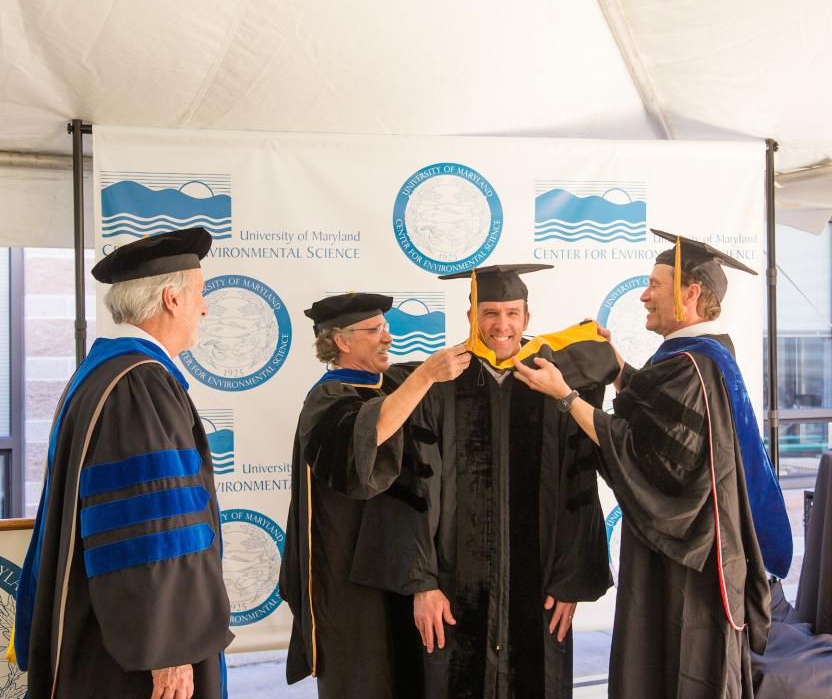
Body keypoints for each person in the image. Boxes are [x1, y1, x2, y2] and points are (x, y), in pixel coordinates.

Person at [513, 231, 792, 699]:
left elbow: (652, 459)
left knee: (678, 667)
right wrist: (617, 365)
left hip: (689, 562)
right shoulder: (704, 358)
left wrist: (566, 397)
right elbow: (661, 421)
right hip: (705, 552)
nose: (644, 295)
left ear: (690, 294)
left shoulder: (690, 365)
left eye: (654, 284)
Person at [350, 264, 619, 699]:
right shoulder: (437, 383)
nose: (501, 324)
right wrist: (423, 583)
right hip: (454, 593)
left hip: (540, 591)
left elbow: (579, 485)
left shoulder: (553, 381)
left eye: (512, 313)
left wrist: (571, 580)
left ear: (527, 319)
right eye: (490, 312)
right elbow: (409, 490)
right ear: (471, 315)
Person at [13, 228, 232, 699]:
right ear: (172, 299)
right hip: (135, 652)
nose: (205, 308)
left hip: (107, 625)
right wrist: (169, 647)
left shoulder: (106, 374)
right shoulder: (139, 386)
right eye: (200, 294)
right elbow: (151, 527)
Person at [279, 292, 471, 698]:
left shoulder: (394, 383)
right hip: (349, 576)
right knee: (365, 678)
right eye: (376, 330)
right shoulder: (326, 400)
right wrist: (424, 378)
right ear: (343, 342)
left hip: (398, 566)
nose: (388, 337)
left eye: (386, 327)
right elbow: (359, 449)